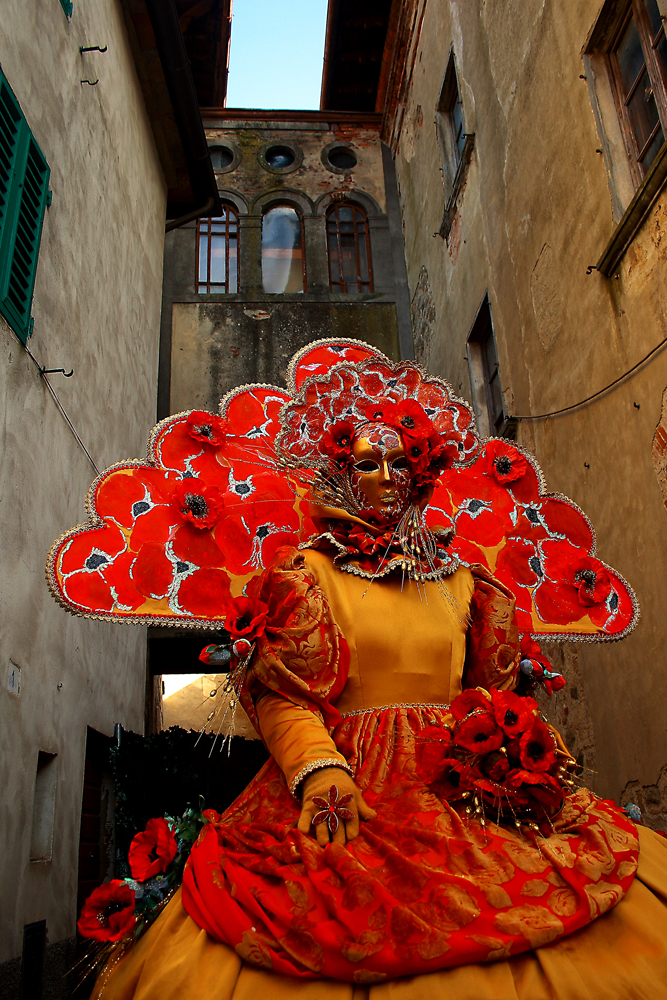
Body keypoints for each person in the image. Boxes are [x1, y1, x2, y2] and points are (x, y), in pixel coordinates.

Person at [54, 342, 667, 999]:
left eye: (400, 464)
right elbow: (284, 694)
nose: (384, 478)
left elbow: (489, 696)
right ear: (343, 474)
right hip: (346, 786)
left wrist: (510, 761)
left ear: (421, 475)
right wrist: (317, 770)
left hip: (461, 787)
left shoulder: (468, 584)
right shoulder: (307, 577)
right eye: (367, 464)